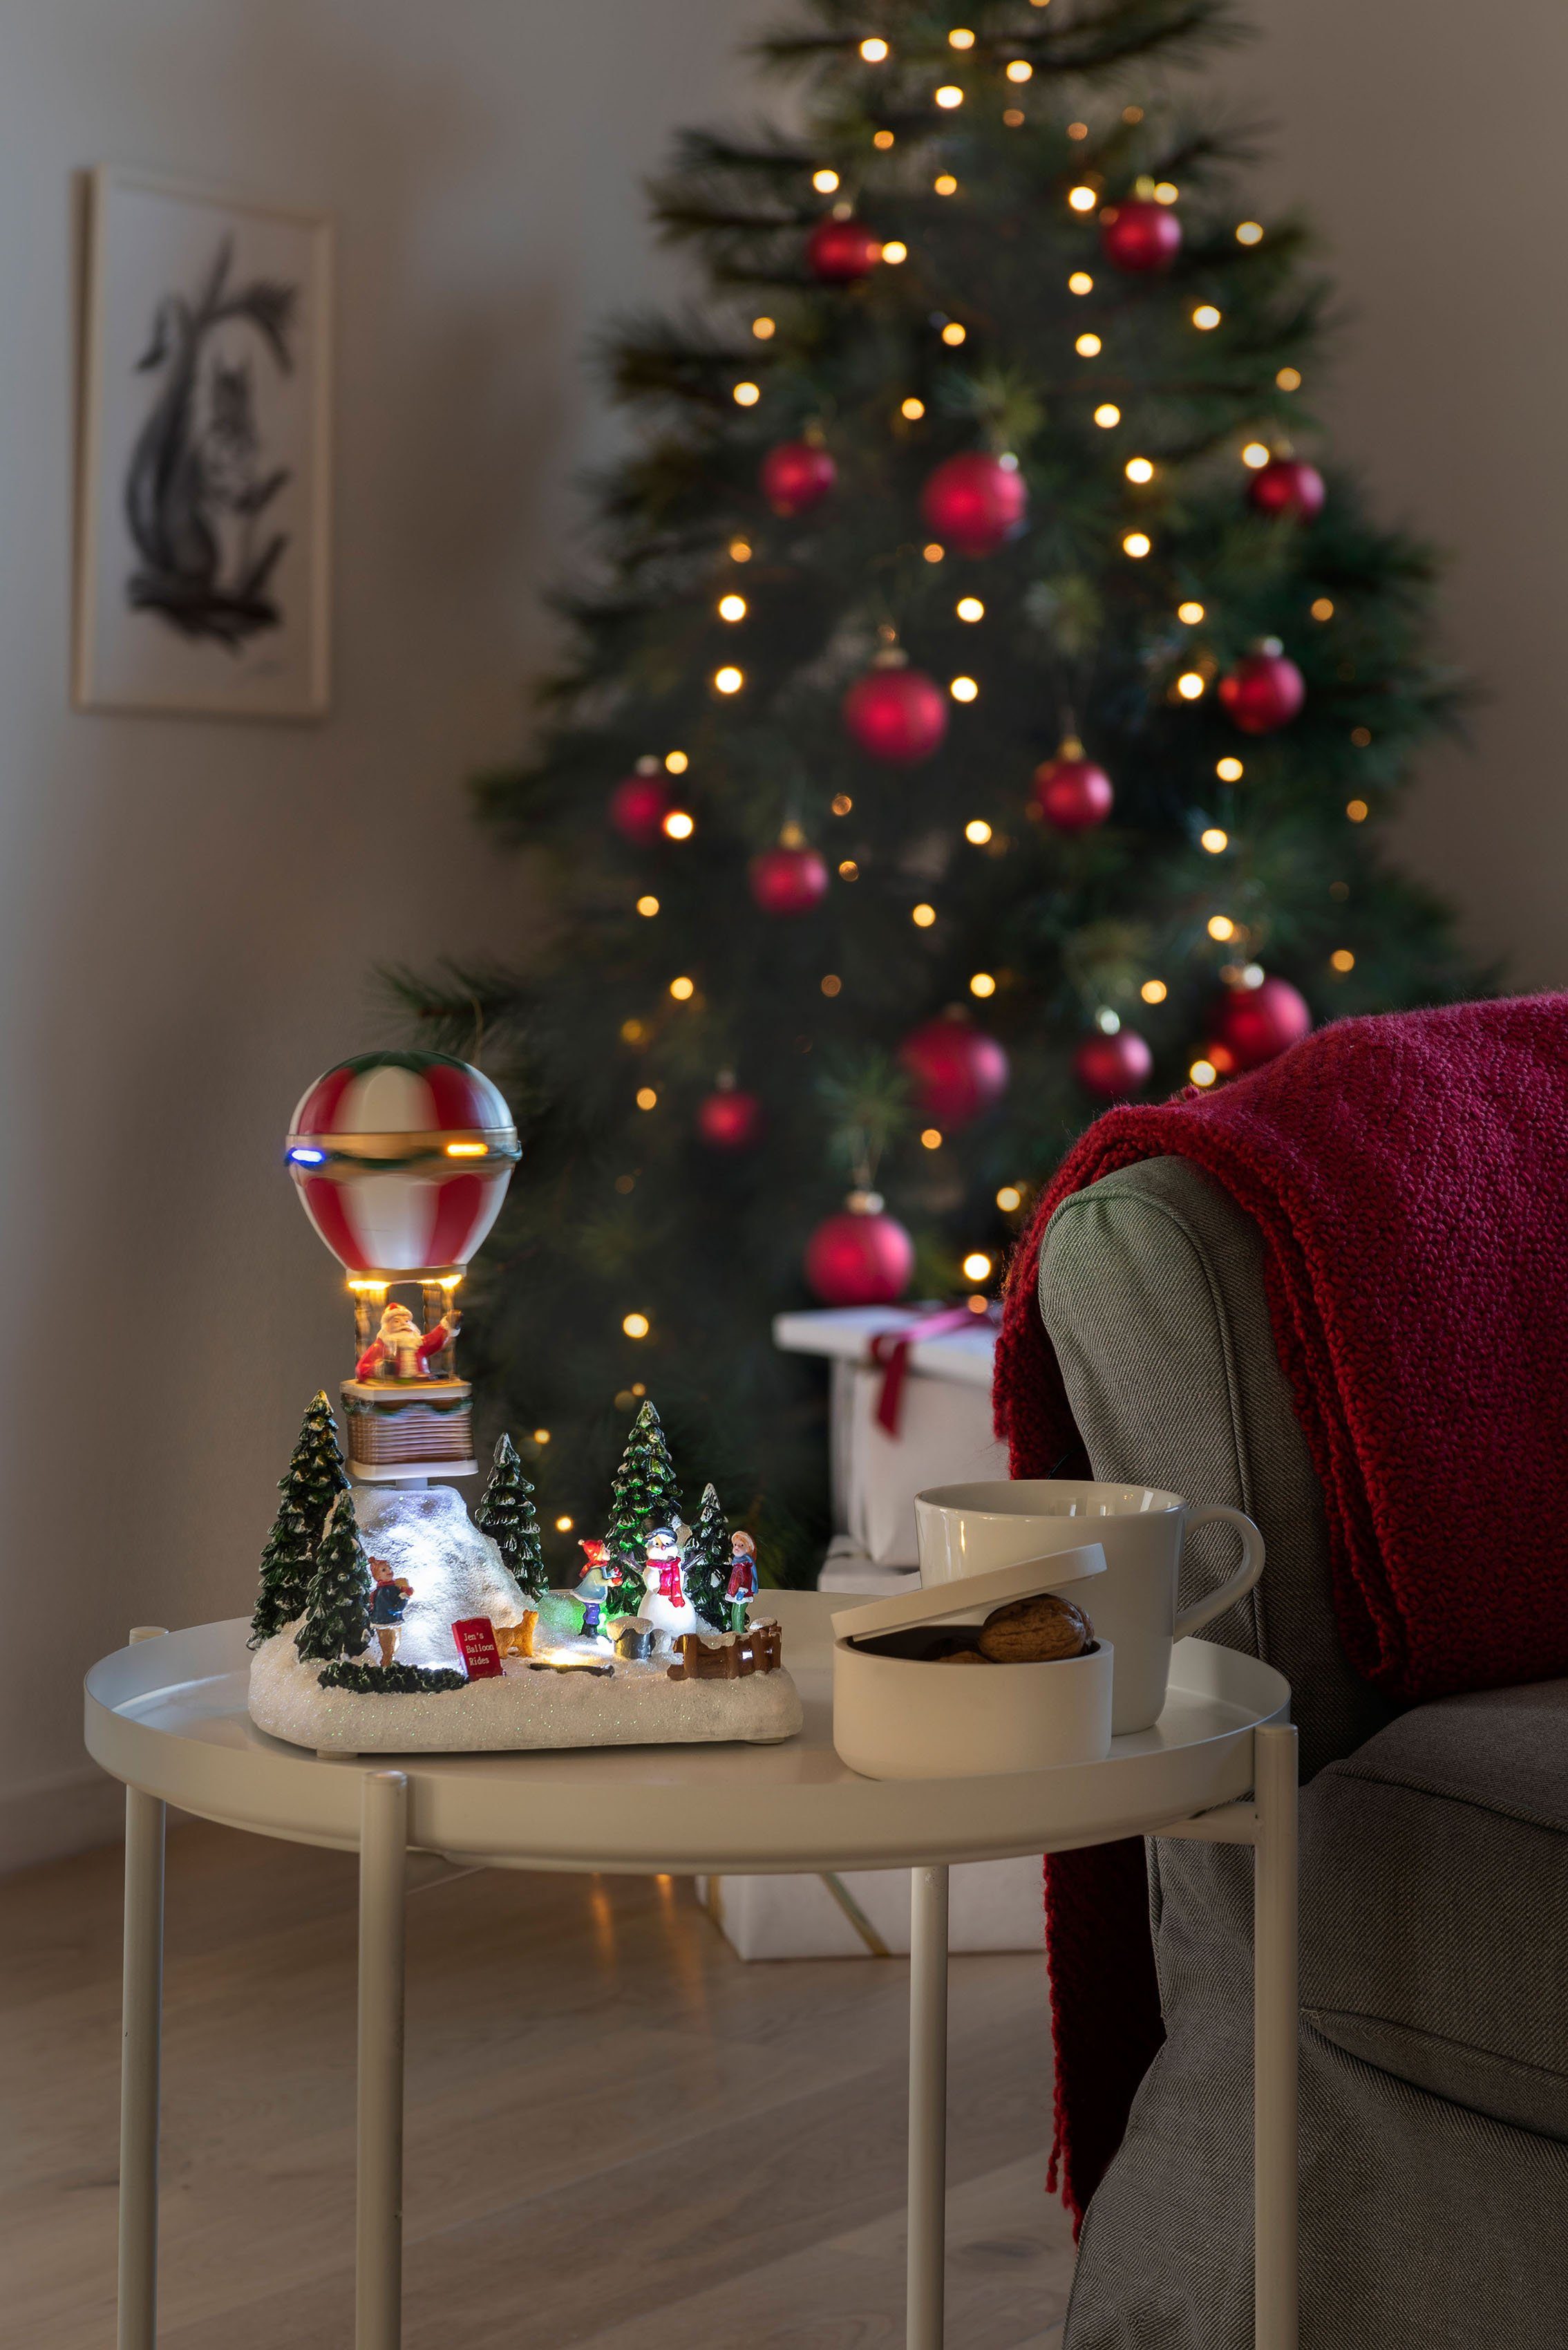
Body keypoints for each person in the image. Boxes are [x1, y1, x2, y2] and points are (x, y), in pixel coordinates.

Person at [368, 1557, 413, 1666]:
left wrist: (404, 1590)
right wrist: (404, 1597)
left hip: (393, 1622)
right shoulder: (383, 1592)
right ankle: (387, 1670)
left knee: (394, 1647)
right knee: (389, 1650)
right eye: (384, 1570)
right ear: (378, 1576)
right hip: (385, 1623)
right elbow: (394, 1609)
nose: (389, 1571)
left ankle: (387, 1665)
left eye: (389, 1568)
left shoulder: (392, 1587)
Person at [726, 1531, 759, 1633]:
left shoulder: (745, 1564)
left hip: (742, 1593)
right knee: (734, 1612)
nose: (737, 1547)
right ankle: (735, 1632)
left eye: (741, 1545)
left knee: (739, 1613)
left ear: (747, 1548)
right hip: (735, 1592)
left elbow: (746, 1579)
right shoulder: (737, 1562)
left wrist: (742, 1591)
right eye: (735, 1545)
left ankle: (740, 1633)